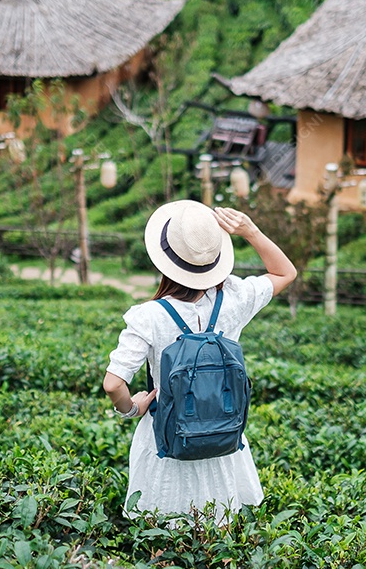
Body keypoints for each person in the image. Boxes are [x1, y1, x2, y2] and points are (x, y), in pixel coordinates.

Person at [103, 201, 297, 523]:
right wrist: (250, 230)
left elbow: (113, 383)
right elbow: (285, 272)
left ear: (165, 261)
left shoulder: (148, 316)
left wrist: (131, 408)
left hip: (167, 439)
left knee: (161, 533)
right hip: (222, 436)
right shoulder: (235, 298)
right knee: (219, 535)